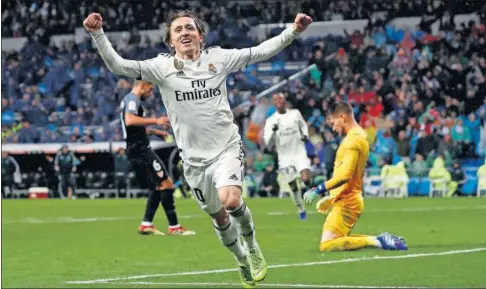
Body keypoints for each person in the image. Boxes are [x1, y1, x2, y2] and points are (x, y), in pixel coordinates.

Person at [83, 9, 312, 287]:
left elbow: (260, 51)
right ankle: (241, 259)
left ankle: (252, 248)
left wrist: (294, 31)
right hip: (193, 161)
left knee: (231, 201)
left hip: (226, 147)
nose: (185, 33)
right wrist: (97, 33)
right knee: (219, 216)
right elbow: (118, 65)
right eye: (178, 30)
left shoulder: (218, 58)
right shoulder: (160, 67)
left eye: (190, 28)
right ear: (170, 41)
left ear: (200, 36)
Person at [303, 102, 407, 252]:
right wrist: (333, 197)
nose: (333, 128)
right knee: (337, 239)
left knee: (326, 245)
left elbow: (345, 175)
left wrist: (318, 189)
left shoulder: (353, 140)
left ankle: (378, 241)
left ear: (342, 117)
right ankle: (382, 239)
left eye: (333, 123)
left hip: (348, 201)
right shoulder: (357, 136)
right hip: (346, 198)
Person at [119, 80, 194, 236]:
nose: (151, 93)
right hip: (140, 151)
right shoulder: (133, 100)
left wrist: (154, 132)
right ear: (143, 85)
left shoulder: (128, 100)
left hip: (137, 149)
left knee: (158, 186)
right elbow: (130, 120)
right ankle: (174, 227)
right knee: (166, 184)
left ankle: (146, 224)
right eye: (150, 89)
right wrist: (156, 120)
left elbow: (132, 129)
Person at [263, 93, 312, 219]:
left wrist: (305, 135)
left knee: (306, 179)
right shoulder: (271, 121)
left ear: (284, 100)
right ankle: (301, 209)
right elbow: (268, 143)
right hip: (284, 158)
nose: (278, 101)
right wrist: (273, 132)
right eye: (275, 99)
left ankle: (308, 190)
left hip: (299, 152)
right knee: (293, 187)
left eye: (280, 98)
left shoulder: (295, 113)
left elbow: (303, 125)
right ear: (273, 103)